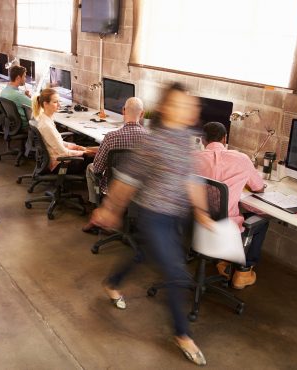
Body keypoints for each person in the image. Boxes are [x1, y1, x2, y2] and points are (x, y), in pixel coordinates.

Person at [91, 82, 213, 366]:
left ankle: (113, 281)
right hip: (153, 216)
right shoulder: (151, 141)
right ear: (167, 108)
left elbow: (191, 178)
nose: (190, 110)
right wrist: (110, 209)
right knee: (176, 274)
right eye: (183, 104)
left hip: (176, 216)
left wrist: (202, 211)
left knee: (142, 254)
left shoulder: (186, 138)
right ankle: (182, 334)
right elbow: (126, 180)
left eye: (191, 105)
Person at [195, 121, 268, 289]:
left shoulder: (192, 159)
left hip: (201, 224)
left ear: (202, 140)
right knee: (261, 219)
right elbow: (258, 187)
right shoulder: (241, 159)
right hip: (226, 228)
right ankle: (243, 272)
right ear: (225, 138)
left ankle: (224, 262)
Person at [83, 97, 147, 232]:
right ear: (142, 114)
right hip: (141, 189)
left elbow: (98, 168)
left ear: (123, 111)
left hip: (112, 187)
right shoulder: (149, 139)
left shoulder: (111, 137)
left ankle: (96, 209)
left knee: (90, 168)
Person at [32, 88, 95, 174]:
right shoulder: (46, 126)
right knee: (94, 157)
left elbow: (59, 142)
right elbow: (64, 152)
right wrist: (83, 153)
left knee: (88, 148)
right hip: (60, 164)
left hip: (57, 157)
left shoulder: (46, 118)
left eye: (58, 101)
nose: (59, 105)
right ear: (45, 104)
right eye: (55, 102)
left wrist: (77, 147)